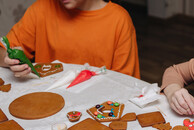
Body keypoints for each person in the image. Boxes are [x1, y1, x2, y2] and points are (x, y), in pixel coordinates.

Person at [0, 0, 140, 79]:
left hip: (96, 108)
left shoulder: (119, 20)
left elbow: (125, 84)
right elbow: (3, 51)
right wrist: (8, 59)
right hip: (48, 100)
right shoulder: (41, 9)